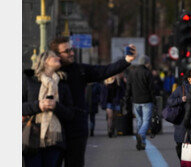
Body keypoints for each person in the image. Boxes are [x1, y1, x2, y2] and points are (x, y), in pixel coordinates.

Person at [49, 37, 137, 167]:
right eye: (67, 51)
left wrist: (126, 60)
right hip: (54, 129)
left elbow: (103, 71)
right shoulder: (47, 75)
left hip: (76, 129)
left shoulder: (79, 70)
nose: (72, 53)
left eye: (71, 49)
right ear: (56, 55)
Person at [22, 51, 77, 167]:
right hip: (32, 137)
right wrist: (38, 106)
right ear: (45, 61)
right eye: (54, 56)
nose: (58, 57)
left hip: (55, 140)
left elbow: (70, 114)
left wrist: (56, 107)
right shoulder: (29, 80)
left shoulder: (63, 84)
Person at [125, 56, 155, 150]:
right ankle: (141, 135)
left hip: (136, 101)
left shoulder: (131, 73)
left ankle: (142, 143)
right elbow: (151, 89)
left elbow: (128, 88)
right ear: (146, 63)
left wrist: (127, 99)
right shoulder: (147, 73)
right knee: (146, 121)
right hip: (146, 100)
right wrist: (154, 100)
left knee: (139, 121)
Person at [166, 69, 191, 160]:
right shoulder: (181, 89)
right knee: (181, 145)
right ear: (189, 79)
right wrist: (180, 100)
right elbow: (169, 101)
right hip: (182, 122)